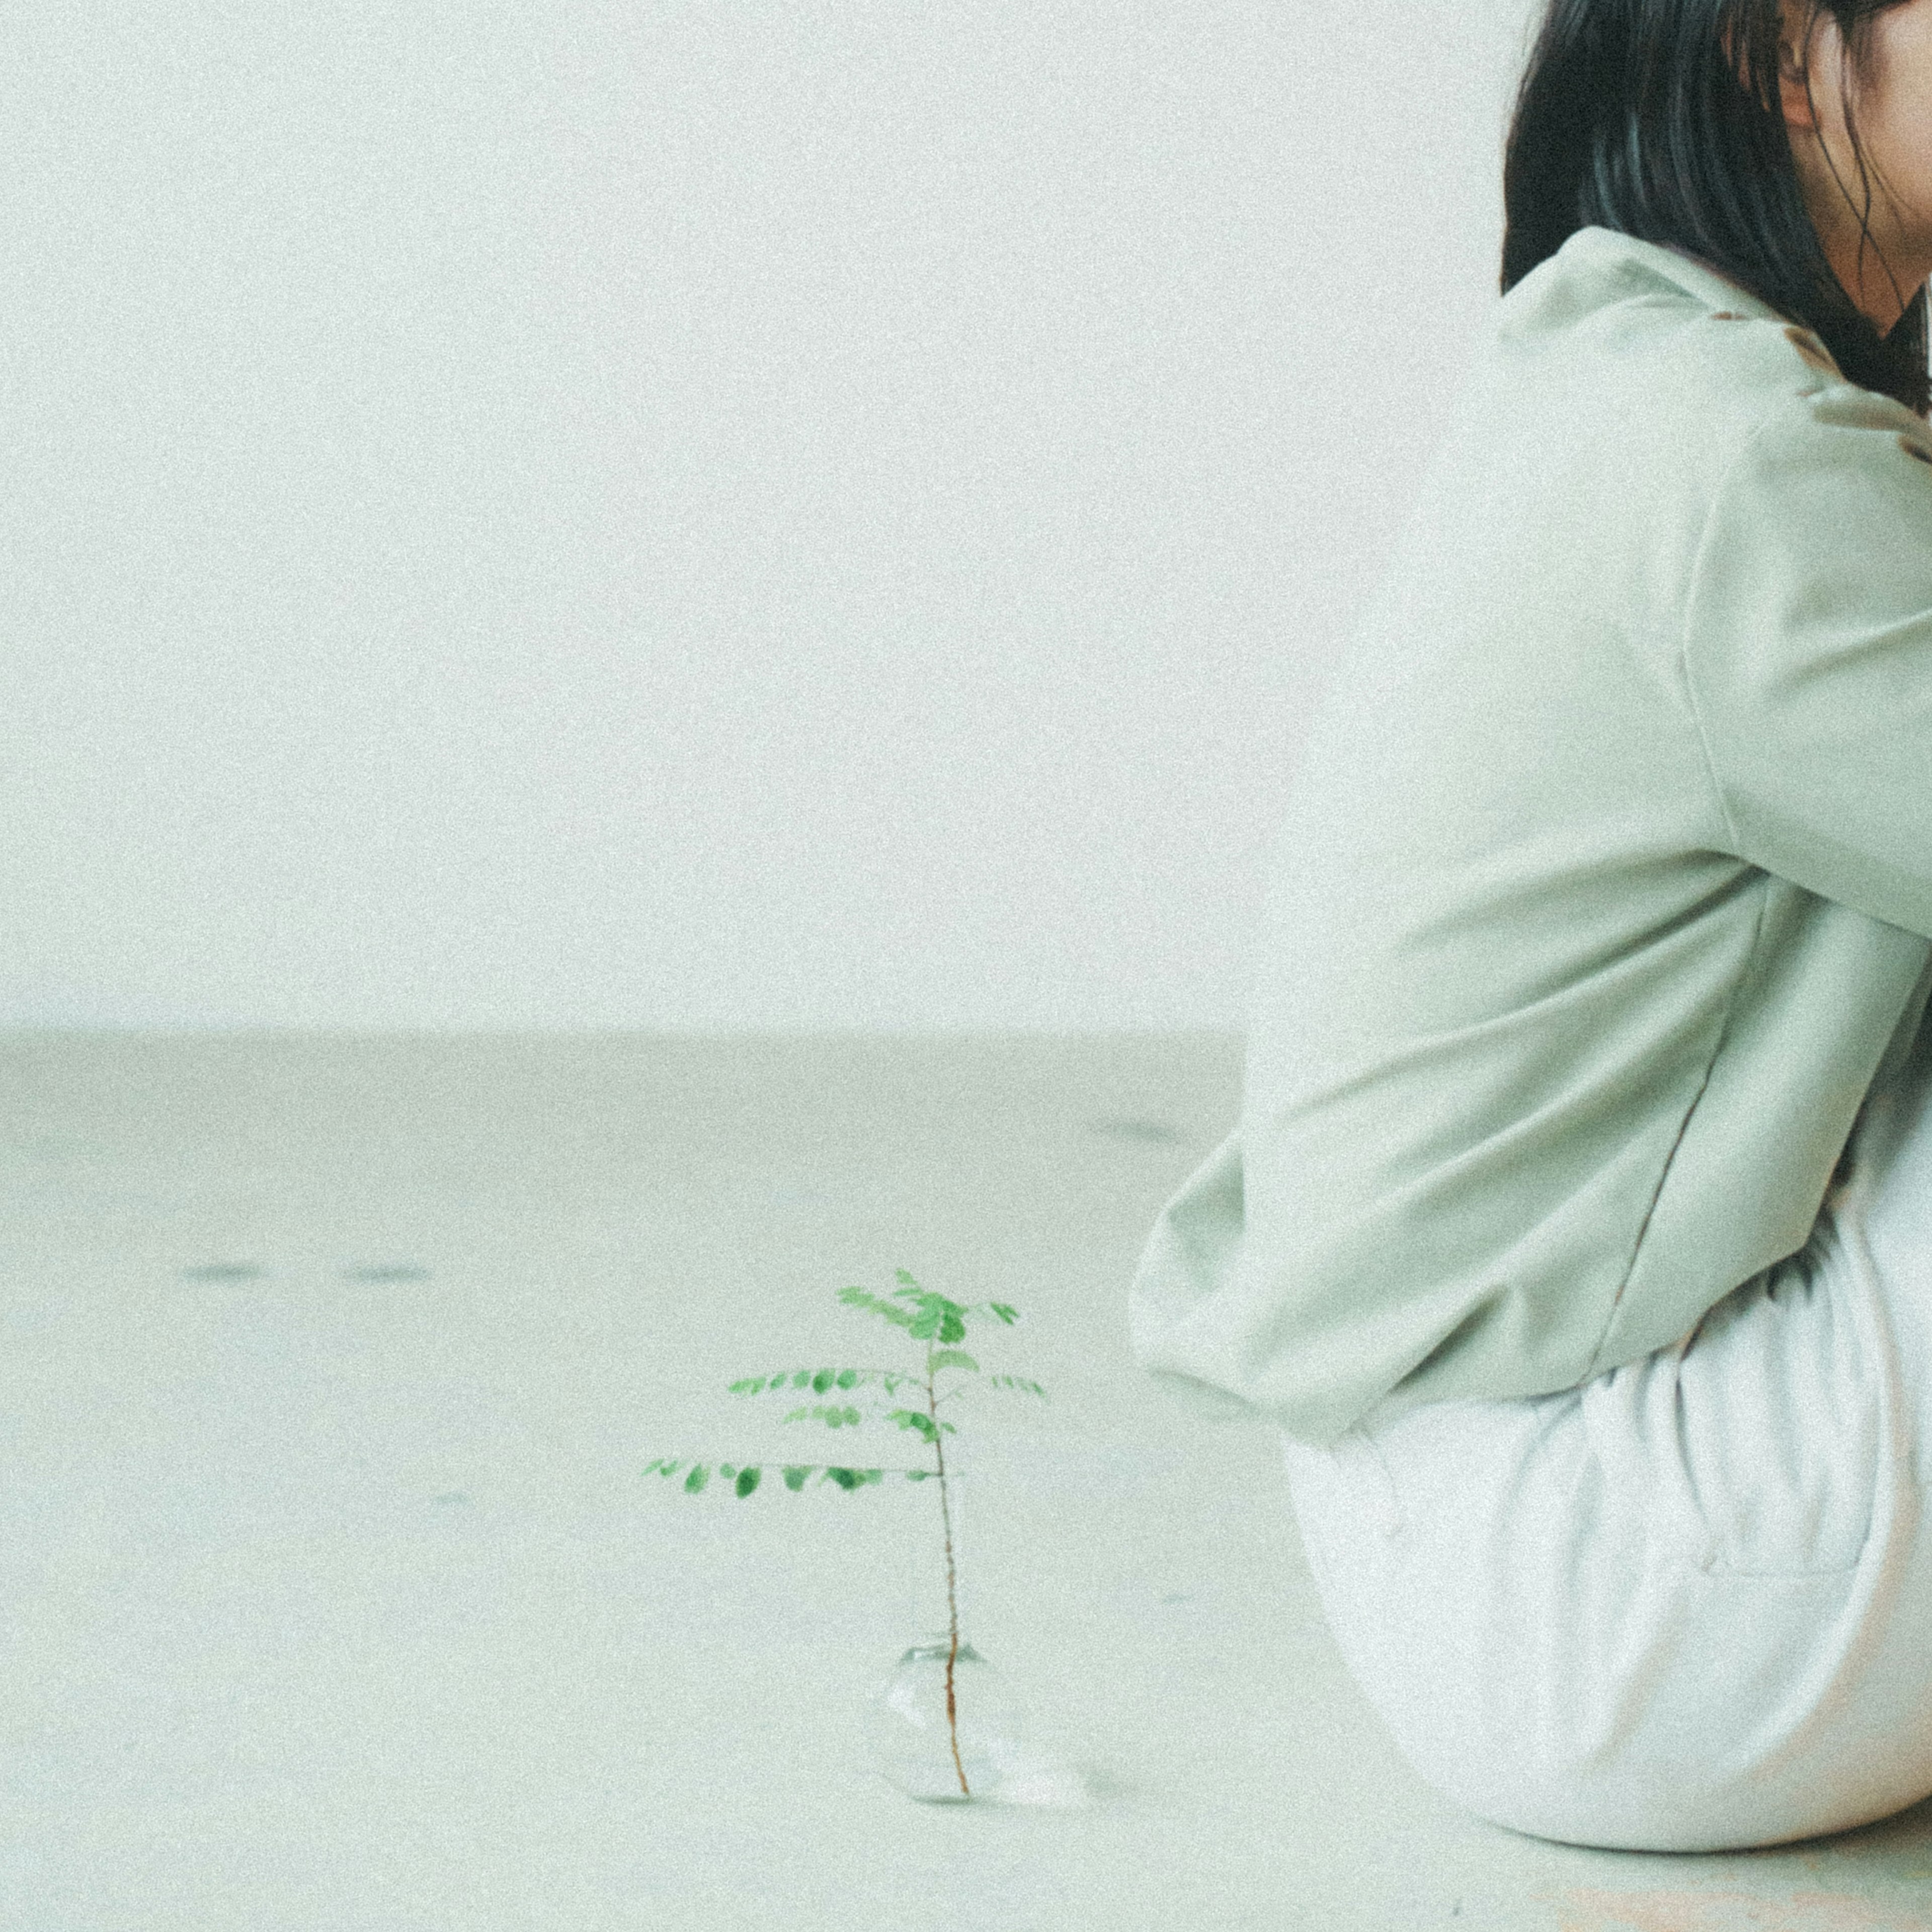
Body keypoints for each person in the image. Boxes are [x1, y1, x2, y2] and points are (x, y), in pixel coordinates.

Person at [1126, 0, 1932, 1852]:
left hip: (1494, 1559)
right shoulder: (1741, 473)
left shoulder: (1642, 387)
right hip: (1640, 1591)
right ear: (1783, 58)